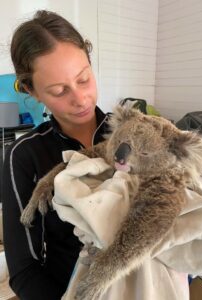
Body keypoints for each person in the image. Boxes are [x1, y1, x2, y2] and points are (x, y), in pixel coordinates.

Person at [2, 10, 111, 300]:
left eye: (84, 79)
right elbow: (24, 271)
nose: (80, 99)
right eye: (59, 90)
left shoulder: (131, 132)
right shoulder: (24, 156)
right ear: (32, 91)